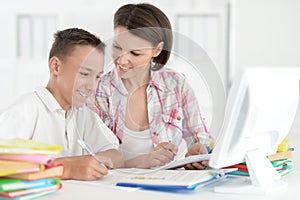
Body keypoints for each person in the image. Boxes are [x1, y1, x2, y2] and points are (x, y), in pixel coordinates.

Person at [0, 28, 124, 180]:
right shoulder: (26, 110)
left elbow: (115, 154)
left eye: (97, 77)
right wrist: (66, 168)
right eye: (85, 74)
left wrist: (95, 161)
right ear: (56, 67)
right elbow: (3, 165)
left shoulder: (83, 114)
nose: (92, 86)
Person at [95, 3, 209, 169]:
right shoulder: (99, 89)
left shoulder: (177, 84)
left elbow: (200, 138)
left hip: (170, 183)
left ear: (157, 50)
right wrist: (139, 162)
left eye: (135, 53)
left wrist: (198, 153)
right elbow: (93, 157)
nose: (122, 60)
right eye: (117, 47)